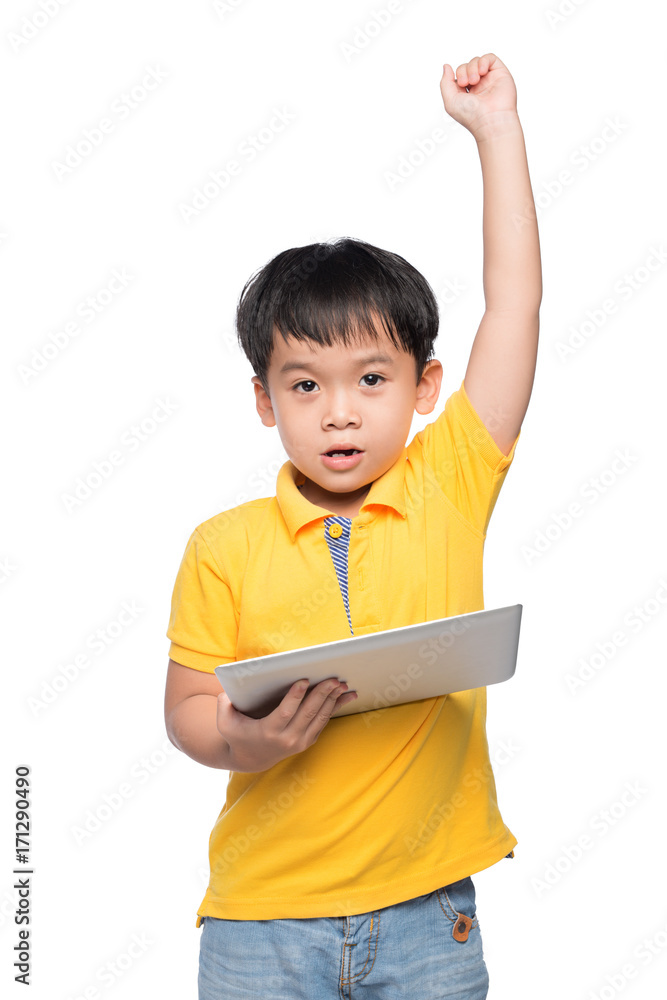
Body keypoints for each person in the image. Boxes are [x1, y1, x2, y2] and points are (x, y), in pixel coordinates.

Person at [164, 52, 541, 1000]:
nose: (338, 413)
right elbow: (186, 711)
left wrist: (496, 131)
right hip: (260, 924)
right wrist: (241, 743)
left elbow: (516, 306)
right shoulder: (224, 545)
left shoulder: (448, 483)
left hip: (427, 915)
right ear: (265, 402)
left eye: (371, 381)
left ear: (424, 388)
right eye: (305, 386)